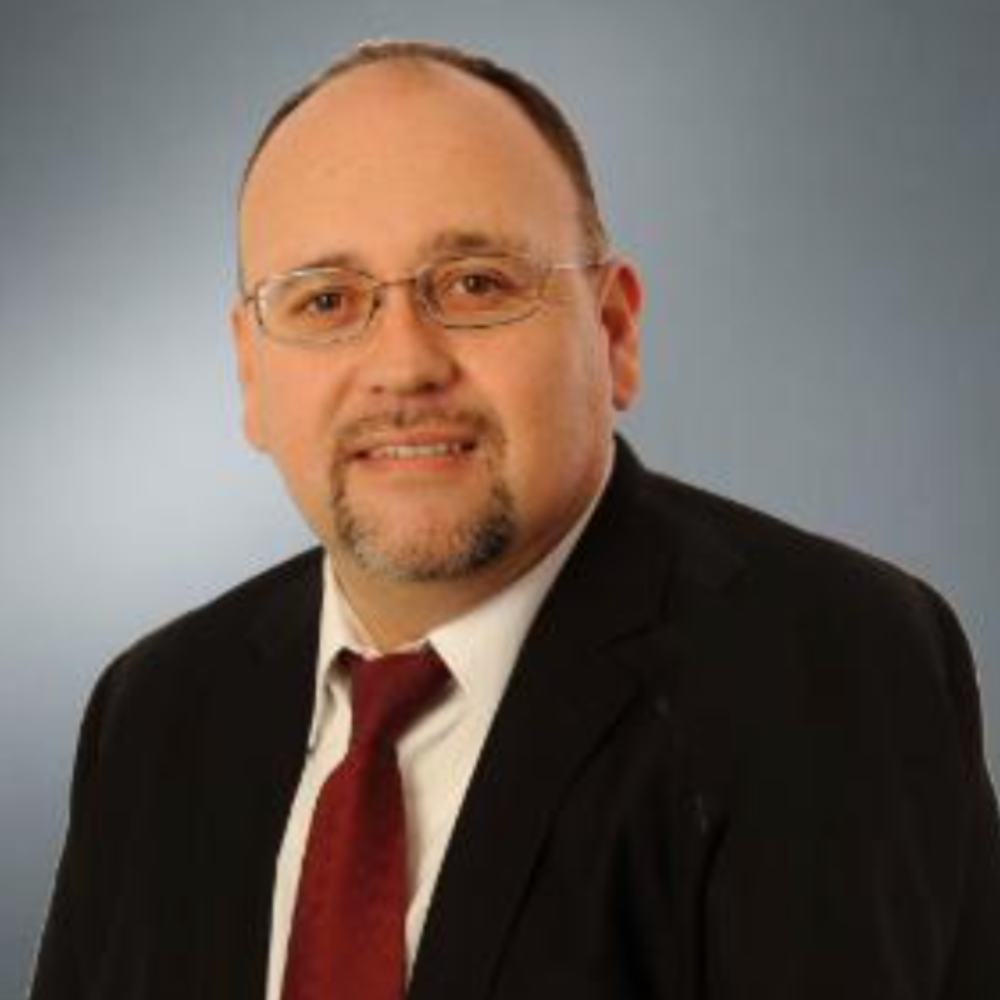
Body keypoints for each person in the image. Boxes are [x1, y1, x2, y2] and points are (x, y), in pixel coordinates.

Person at [30, 39, 1000, 1000]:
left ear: (614, 332)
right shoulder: (154, 709)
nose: (403, 364)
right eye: (327, 301)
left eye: (477, 284)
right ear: (250, 372)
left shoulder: (823, 655)